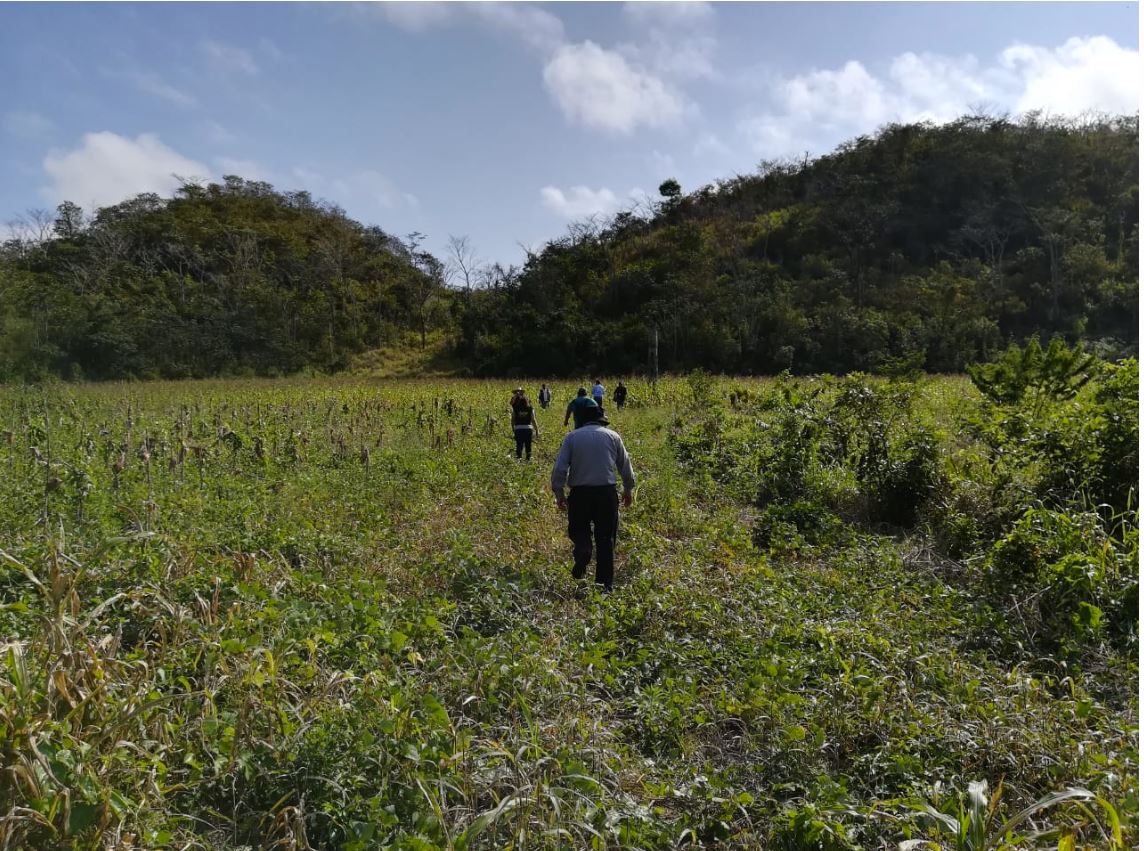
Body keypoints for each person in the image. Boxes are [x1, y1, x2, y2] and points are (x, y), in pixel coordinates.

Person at [551, 405, 636, 592]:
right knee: (606, 539)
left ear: (582, 421)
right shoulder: (613, 436)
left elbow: (559, 469)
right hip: (606, 493)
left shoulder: (572, 437)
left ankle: (584, 550)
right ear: (602, 421)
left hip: (580, 494)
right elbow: (625, 465)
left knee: (579, 530)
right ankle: (604, 586)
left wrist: (559, 493)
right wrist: (628, 489)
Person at [510, 388, 539, 460]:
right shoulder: (530, 408)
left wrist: (513, 428)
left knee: (519, 445)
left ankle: (518, 459)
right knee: (528, 446)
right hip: (528, 428)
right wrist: (537, 430)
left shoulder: (515, 408)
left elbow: (512, 419)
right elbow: (533, 420)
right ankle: (528, 460)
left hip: (518, 428)